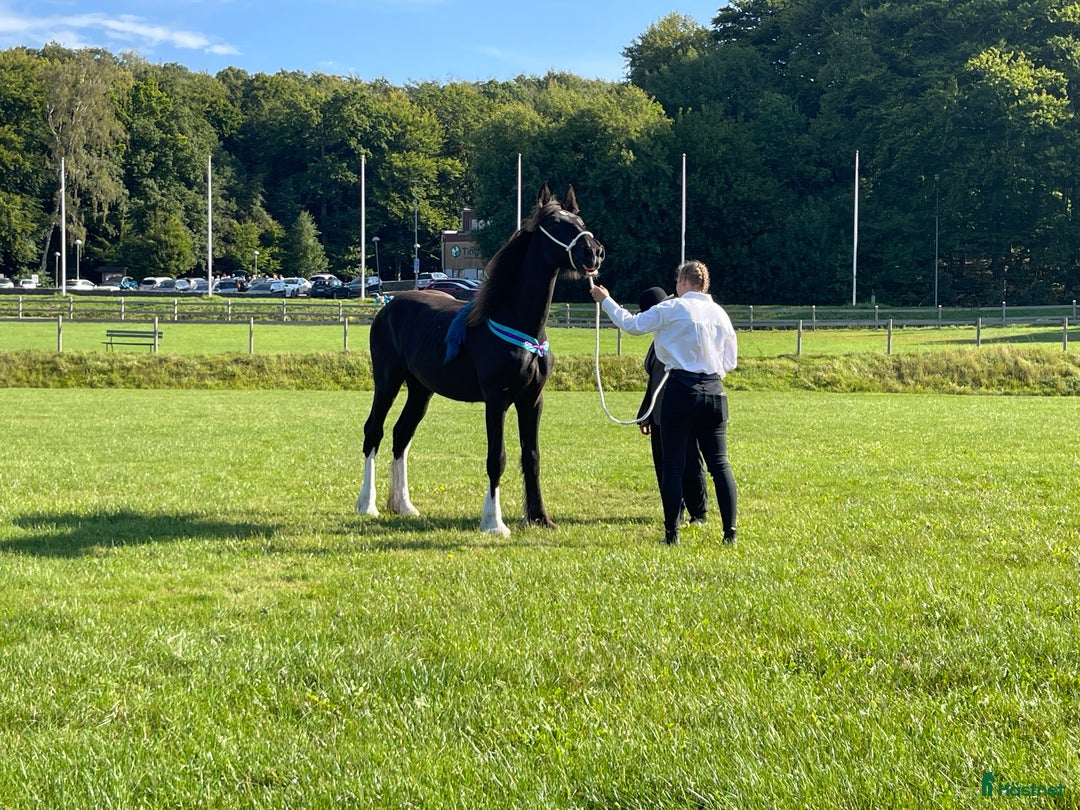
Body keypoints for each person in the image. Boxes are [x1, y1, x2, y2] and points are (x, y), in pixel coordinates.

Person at [591, 261, 738, 546]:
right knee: (720, 465)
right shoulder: (720, 313)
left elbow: (632, 324)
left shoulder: (673, 308)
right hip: (715, 390)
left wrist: (606, 300)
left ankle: (672, 534)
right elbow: (729, 361)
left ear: (683, 281)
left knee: (672, 465)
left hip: (680, 389)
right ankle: (730, 532)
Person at [635, 286, 709, 527]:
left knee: (689, 459)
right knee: (664, 463)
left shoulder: (678, 335)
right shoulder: (659, 339)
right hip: (659, 412)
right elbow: (654, 380)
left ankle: (699, 512)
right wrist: (645, 412)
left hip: (682, 404)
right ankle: (674, 511)